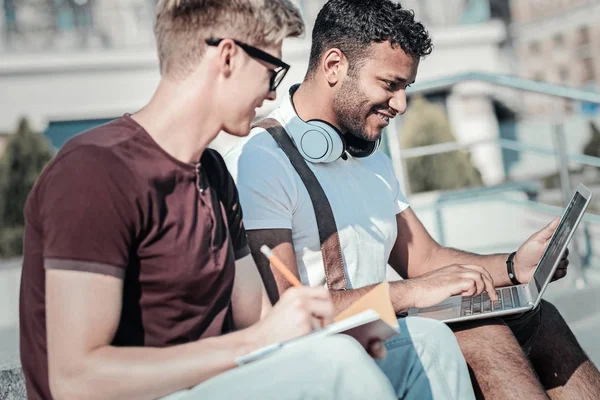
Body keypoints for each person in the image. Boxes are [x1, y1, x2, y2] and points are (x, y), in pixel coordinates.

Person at [18, 1, 402, 399]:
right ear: (229, 57)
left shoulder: (213, 173)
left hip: (218, 386)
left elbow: (260, 322)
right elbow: (75, 380)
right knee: (340, 368)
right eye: (272, 72)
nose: (272, 95)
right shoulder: (95, 171)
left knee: (421, 345)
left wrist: (322, 336)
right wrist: (260, 345)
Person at [224, 0, 600, 398]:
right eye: (390, 85)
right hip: (327, 350)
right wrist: (411, 293)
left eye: (406, 88)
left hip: (383, 328)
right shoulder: (262, 161)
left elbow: (423, 259)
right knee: (480, 333)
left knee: (539, 317)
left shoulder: (370, 156)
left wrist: (513, 266)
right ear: (334, 66)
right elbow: (285, 310)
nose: (401, 105)